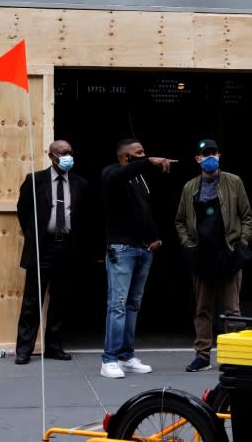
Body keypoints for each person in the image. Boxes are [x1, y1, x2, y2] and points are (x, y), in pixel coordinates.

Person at [175, 139, 252, 372]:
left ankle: (235, 358)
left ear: (219, 155)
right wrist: (188, 245)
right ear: (197, 159)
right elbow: (180, 220)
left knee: (232, 310)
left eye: (213, 153)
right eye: (205, 154)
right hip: (201, 255)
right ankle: (202, 356)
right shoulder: (190, 187)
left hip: (228, 253)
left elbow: (247, 216)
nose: (210, 157)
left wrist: (242, 243)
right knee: (202, 309)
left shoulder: (234, 182)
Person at [100, 138, 175, 379]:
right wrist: (148, 162)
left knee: (133, 304)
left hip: (143, 249)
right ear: (125, 156)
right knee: (118, 304)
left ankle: (126, 356)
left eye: (145, 151)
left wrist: (155, 237)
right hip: (121, 249)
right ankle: (109, 359)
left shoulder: (140, 179)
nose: (144, 155)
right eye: (139, 152)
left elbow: (146, 210)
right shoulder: (112, 173)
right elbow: (117, 178)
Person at [14, 140, 88, 365]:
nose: (67, 157)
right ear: (51, 156)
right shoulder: (35, 180)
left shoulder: (80, 183)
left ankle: (54, 347)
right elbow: (23, 211)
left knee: (60, 299)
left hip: (66, 247)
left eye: (70, 153)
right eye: (62, 153)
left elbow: (83, 216)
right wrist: (34, 236)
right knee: (32, 300)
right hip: (42, 247)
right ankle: (24, 350)